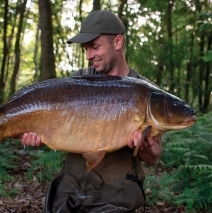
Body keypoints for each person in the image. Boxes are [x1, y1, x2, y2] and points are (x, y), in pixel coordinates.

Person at [22, 10, 162, 213]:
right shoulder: (78, 81)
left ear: (118, 42)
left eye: (95, 47)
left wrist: (144, 146)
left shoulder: (146, 93)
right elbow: (51, 122)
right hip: (72, 187)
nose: (89, 56)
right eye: (86, 49)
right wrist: (33, 133)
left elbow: (153, 156)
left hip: (117, 193)